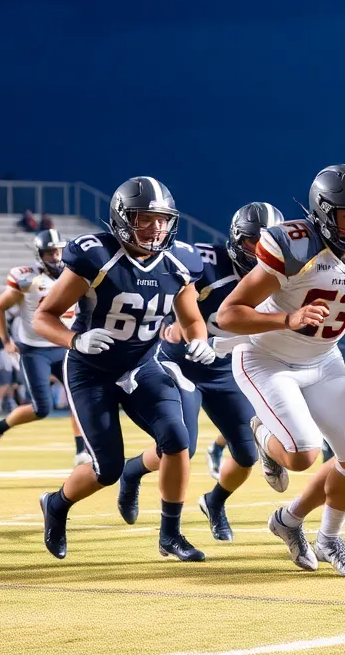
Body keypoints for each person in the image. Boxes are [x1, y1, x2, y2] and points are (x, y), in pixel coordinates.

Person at [217, 164, 345, 577]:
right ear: (323, 213)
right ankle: (262, 431)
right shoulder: (293, 245)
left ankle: (327, 538)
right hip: (265, 357)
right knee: (304, 455)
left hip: (324, 358)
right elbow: (229, 315)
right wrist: (287, 319)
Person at [34, 176, 215, 562]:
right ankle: (57, 504)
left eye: (162, 219)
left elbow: (192, 319)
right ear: (121, 218)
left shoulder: (180, 261)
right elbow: (43, 317)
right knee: (107, 468)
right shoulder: (95, 255)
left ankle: (171, 535)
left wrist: (197, 339)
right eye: (144, 218)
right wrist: (74, 339)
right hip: (91, 369)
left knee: (177, 439)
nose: (155, 228)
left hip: (142, 365)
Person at [117, 202, 283, 542]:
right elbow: (165, 284)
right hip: (183, 365)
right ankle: (131, 472)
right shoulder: (206, 263)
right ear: (238, 240)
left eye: (268, 243)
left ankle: (215, 502)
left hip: (227, 369)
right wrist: (170, 321)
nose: (261, 250)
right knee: (179, 447)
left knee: (247, 454)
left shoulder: (283, 275)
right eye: (254, 242)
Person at [0, 230, 90, 466]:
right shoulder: (26, 279)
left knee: (79, 397)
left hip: (64, 344)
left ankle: (82, 451)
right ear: (40, 255)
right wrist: (7, 341)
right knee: (42, 409)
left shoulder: (74, 273)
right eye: (50, 252)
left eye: (58, 250)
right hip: (34, 348)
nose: (55, 255)